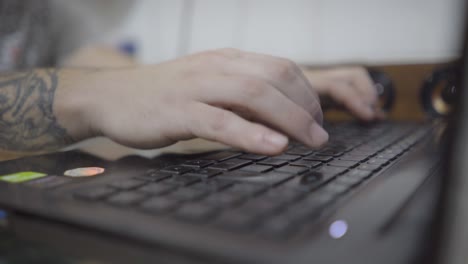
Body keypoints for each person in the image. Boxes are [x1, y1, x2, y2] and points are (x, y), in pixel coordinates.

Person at [0, 0, 382, 156]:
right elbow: (96, 86)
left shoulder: (47, 9)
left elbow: (99, 63)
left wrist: (235, 86)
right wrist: (90, 96)